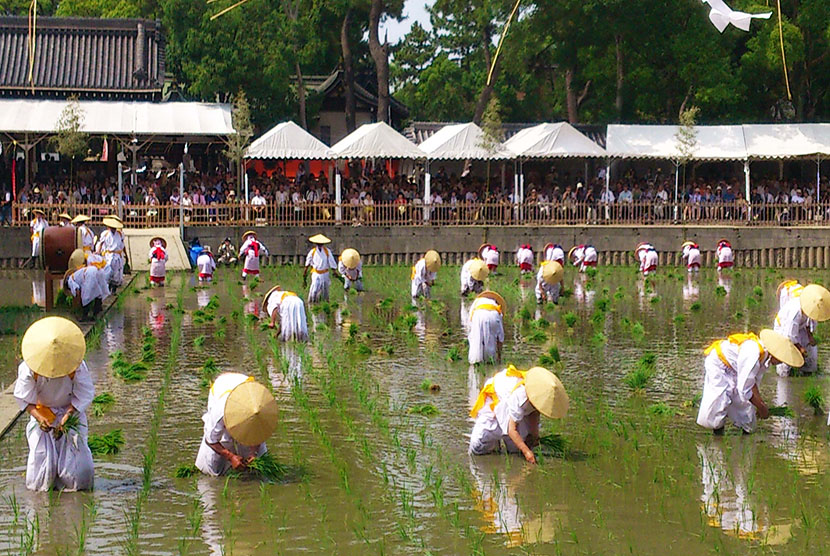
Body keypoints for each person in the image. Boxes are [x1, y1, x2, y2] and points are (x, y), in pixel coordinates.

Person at [14, 317, 95, 491]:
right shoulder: (30, 368)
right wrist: (40, 417)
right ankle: (45, 496)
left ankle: (77, 492)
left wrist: (67, 417)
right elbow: (24, 398)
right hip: (43, 413)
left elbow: (84, 393)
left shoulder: (76, 366)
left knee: (79, 463)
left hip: (70, 411)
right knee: (42, 463)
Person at [697, 329, 803, 434]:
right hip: (720, 365)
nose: (781, 362)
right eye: (782, 359)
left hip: (736, 369)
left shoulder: (764, 357)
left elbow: (752, 383)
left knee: (748, 416)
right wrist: (761, 407)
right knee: (720, 401)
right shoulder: (753, 353)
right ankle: (718, 436)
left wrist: (761, 403)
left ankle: (745, 437)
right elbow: (744, 389)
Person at [469, 365, 569, 464]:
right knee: (479, 446)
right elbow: (511, 430)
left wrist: (534, 436)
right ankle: (493, 446)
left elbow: (534, 414)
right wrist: (527, 452)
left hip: (516, 407)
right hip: (496, 400)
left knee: (516, 450)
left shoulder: (538, 398)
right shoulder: (520, 397)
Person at [195, 372, 278, 476]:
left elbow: (258, 433)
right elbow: (210, 440)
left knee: (260, 460)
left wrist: (253, 453)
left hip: (245, 386)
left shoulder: (262, 409)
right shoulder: (220, 411)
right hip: (222, 387)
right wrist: (230, 456)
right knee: (214, 463)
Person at [773, 284, 830, 376]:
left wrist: (810, 336)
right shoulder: (795, 312)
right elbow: (790, 336)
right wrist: (800, 348)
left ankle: (806, 373)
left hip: (801, 327)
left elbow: (809, 323)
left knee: (811, 355)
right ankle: (786, 377)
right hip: (784, 328)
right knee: (786, 358)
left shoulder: (815, 307)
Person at [63, 249, 108, 321]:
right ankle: (96, 312)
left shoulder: (70, 280)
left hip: (90, 273)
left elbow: (77, 290)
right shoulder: (77, 274)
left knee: (86, 297)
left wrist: (79, 304)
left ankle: (85, 315)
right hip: (97, 270)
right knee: (97, 292)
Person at [468, 291, 505, 364]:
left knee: (476, 340)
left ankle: (475, 362)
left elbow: (470, 327)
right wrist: (499, 356)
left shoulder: (476, 302)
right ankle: (490, 361)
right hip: (494, 316)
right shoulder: (497, 307)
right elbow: (500, 338)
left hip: (478, 315)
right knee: (492, 340)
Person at [303, 234, 337, 303]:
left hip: (325, 273)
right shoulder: (312, 252)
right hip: (316, 273)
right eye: (318, 243)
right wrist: (305, 272)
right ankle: (312, 302)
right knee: (314, 289)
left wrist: (334, 271)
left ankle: (325, 302)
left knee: (325, 289)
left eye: (321, 243)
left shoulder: (327, 251)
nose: (319, 245)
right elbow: (308, 262)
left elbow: (331, 261)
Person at [96, 215, 126, 293]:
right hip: (108, 255)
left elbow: (123, 245)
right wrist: (98, 252)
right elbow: (101, 244)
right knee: (108, 272)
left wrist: (126, 254)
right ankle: (107, 288)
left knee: (116, 273)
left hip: (117, 256)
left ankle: (114, 288)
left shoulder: (120, 234)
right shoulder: (105, 234)